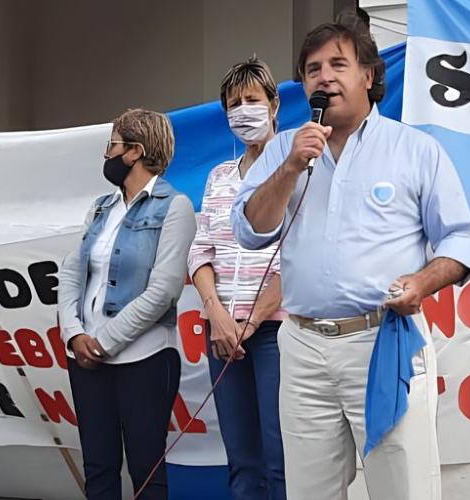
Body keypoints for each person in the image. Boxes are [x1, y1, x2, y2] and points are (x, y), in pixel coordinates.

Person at [231, 17, 470, 500]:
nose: (324, 77)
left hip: (383, 340)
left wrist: (421, 283)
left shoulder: (415, 150)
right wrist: (290, 167)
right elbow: (249, 230)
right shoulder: (284, 149)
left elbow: (460, 242)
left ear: (368, 75)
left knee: (403, 487)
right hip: (302, 346)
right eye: (312, 69)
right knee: (309, 491)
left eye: (337, 65)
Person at [57, 108, 197, 500]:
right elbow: (71, 272)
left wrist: (104, 341)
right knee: (98, 469)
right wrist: (74, 334)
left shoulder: (175, 207)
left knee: (146, 472)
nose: (107, 154)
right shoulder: (101, 207)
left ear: (135, 151)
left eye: (113, 145)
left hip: (145, 360)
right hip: (87, 359)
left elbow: (164, 290)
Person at [189, 56, 286, 500]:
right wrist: (217, 315)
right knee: (242, 459)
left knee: (280, 457)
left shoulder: (296, 169)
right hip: (222, 333)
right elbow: (200, 251)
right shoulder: (219, 177)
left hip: (275, 332)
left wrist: (251, 320)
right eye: (234, 104)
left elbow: (299, 260)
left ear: (274, 105)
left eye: (252, 100)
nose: (243, 111)